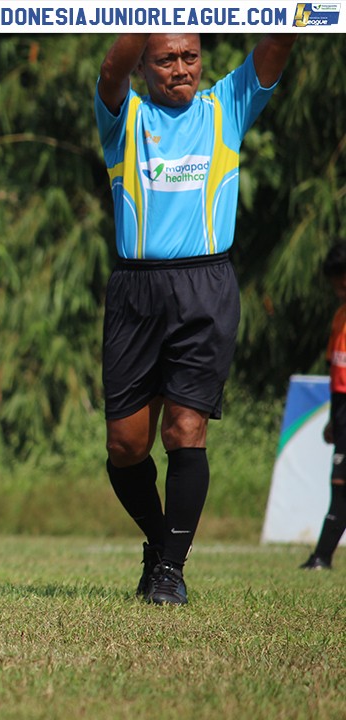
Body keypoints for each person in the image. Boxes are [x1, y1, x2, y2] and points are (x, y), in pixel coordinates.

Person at [94, 33, 297, 605]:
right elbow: (111, 70)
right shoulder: (125, 117)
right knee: (125, 445)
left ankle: (170, 571)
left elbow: (275, 50)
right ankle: (159, 542)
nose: (180, 69)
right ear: (146, 64)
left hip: (205, 287)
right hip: (135, 291)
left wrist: (289, 16)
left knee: (185, 430)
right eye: (165, 58)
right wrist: (144, 16)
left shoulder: (225, 105)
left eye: (190, 56)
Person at [300, 243, 346, 571]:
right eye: (336, 280)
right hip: (342, 409)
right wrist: (333, 418)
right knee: (339, 483)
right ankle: (321, 557)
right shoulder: (339, 317)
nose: (339, 286)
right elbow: (335, 370)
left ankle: (321, 557)